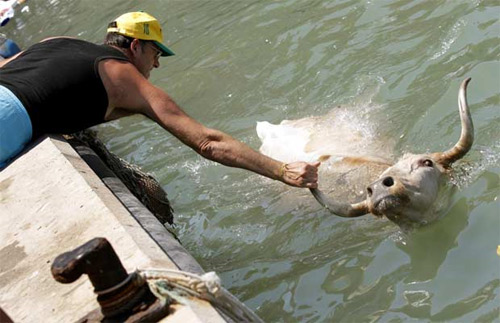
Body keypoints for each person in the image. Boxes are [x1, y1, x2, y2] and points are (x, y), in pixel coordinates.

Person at [0, 11, 319, 188]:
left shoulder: (58, 41)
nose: (157, 64)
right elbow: (208, 143)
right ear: (136, 46)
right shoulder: (123, 75)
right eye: (155, 53)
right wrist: (283, 171)